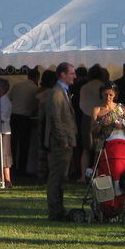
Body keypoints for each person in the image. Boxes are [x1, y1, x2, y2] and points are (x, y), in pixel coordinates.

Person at [42, 62, 78, 220]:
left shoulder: (63, 91)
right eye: (71, 73)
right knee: (57, 176)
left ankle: (59, 208)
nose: (74, 76)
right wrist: (63, 139)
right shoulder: (57, 93)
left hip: (65, 140)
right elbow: (55, 119)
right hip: (60, 142)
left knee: (61, 176)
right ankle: (55, 210)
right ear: (62, 74)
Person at [90, 82, 125, 190]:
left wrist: (122, 125)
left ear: (115, 95)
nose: (108, 97)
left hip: (119, 143)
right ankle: (103, 195)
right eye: (105, 94)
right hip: (103, 143)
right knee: (102, 169)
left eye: (111, 95)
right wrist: (102, 123)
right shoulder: (97, 110)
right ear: (101, 94)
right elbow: (92, 129)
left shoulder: (121, 108)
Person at [8, 69, 38, 176]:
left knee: (13, 144)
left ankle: (11, 167)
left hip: (14, 116)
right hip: (26, 118)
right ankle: (22, 168)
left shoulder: (17, 85)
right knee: (24, 145)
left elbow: (9, 98)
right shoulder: (35, 88)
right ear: (36, 78)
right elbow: (36, 104)